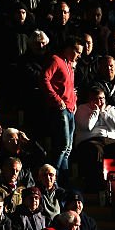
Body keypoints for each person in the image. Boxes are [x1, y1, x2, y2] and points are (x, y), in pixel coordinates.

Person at [42, 39, 84, 182]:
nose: (79, 55)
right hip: (61, 109)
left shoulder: (69, 65)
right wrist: (57, 99)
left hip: (70, 109)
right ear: (68, 48)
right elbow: (45, 78)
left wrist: (74, 102)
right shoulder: (56, 60)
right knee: (63, 146)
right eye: (77, 51)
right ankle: (53, 178)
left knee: (68, 149)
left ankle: (62, 180)